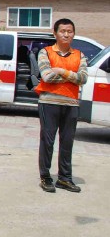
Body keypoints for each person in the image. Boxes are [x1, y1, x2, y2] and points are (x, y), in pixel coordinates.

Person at [35, 18, 88, 193]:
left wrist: (60, 71)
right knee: (47, 140)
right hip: (49, 102)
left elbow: (83, 78)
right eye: (62, 31)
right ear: (55, 33)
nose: (66, 34)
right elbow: (46, 76)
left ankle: (65, 178)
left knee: (67, 142)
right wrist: (72, 76)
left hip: (71, 104)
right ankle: (45, 177)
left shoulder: (80, 55)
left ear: (74, 34)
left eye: (69, 31)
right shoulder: (45, 52)